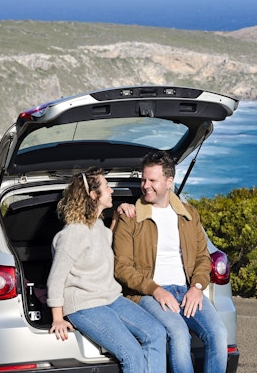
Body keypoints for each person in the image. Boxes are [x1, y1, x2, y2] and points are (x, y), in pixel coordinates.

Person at [113, 151, 228, 373]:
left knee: (218, 333)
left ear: (169, 182)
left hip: (186, 291)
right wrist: (155, 290)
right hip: (147, 294)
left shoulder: (189, 215)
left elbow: (203, 258)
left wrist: (197, 287)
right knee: (178, 334)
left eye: (152, 180)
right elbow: (122, 268)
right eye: (144, 179)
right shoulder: (131, 217)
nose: (145, 185)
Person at [46, 167, 166, 373]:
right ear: (94, 195)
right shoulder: (73, 233)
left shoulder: (97, 226)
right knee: (132, 354)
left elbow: (104, 242)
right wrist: (58, 318)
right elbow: (55, 279)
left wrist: (117, 219)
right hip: (85, 305)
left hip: (110, 298)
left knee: (156, 333)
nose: (112, 191)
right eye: (107, 187)